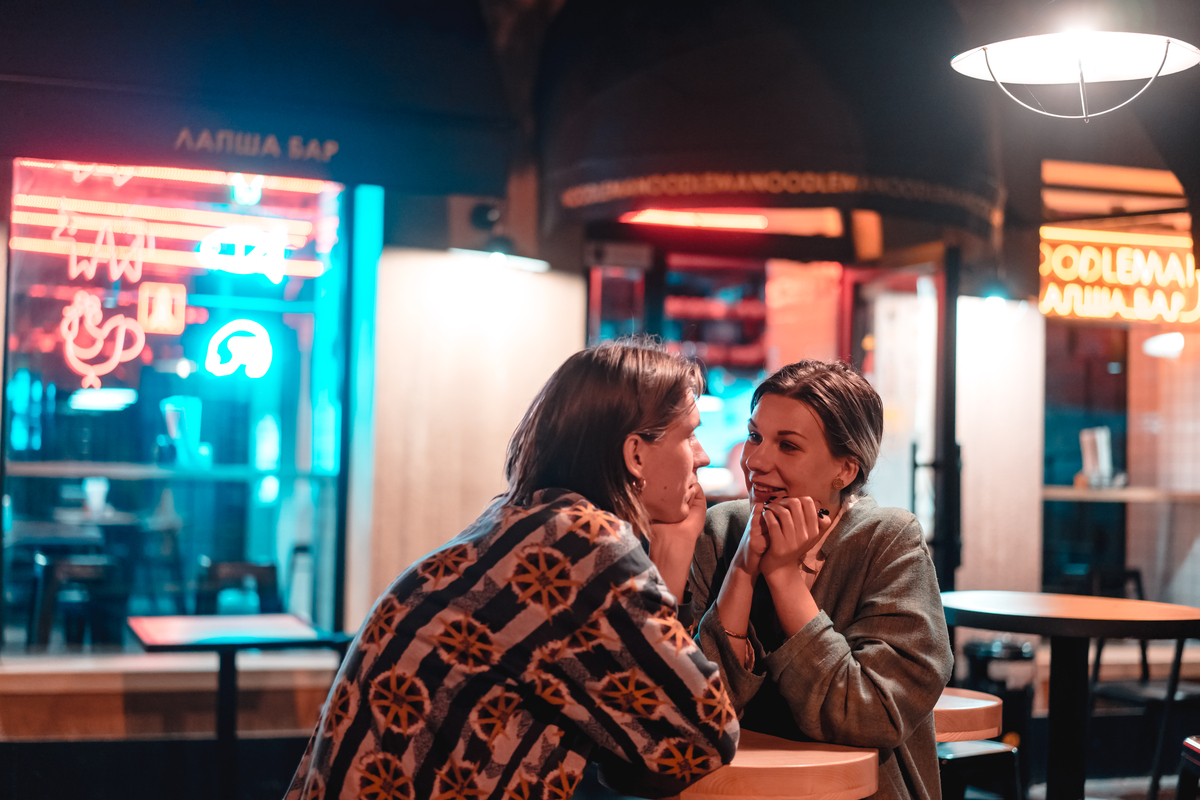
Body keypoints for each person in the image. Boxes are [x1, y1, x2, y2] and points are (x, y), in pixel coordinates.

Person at [287, 340, 737, 800]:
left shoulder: (515, 522)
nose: (702, 456)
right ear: (636, 455)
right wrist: (675, 551)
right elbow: (706, 733)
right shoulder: (581, 546)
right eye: (689, 435)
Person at [689, 359, 952, 800]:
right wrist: (741, 569)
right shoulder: (719, 531)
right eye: (755, 436)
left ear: (845, 470)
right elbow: (697, 716)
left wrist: (783, 578)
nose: (755, 460)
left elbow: (872, 716)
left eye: (787, 446)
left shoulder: (887, 541)